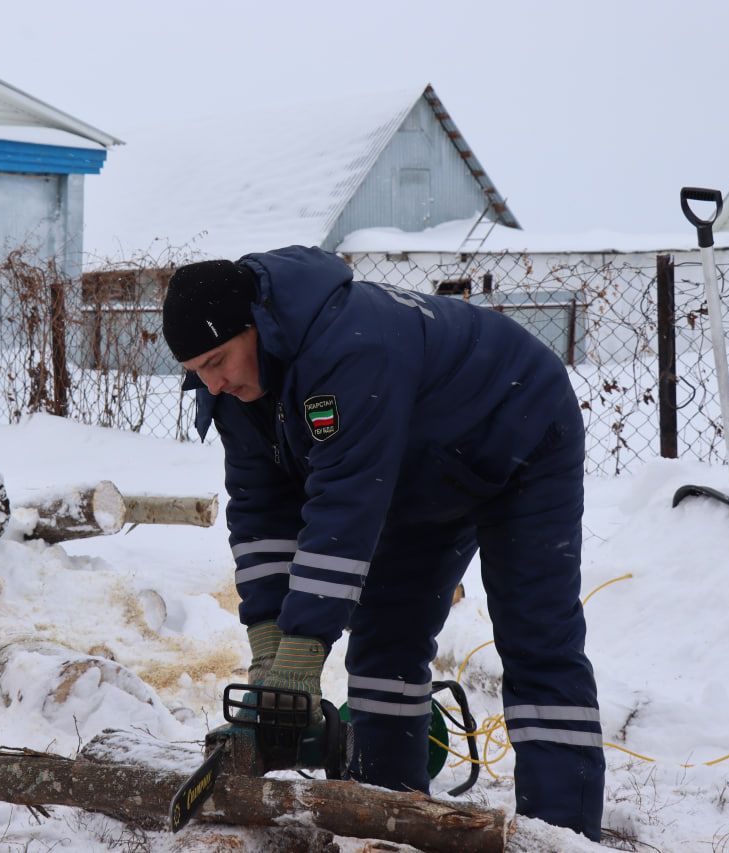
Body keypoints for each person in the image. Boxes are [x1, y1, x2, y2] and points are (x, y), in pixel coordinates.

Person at [162, 246, 604, 841]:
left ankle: (561, 832)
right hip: (414, 470)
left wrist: (303, 648)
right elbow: (262, 515)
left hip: (518, 434)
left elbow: (344, 507)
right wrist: (268, 641)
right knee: (383, 646)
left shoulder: (349, 346)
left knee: (536, 636)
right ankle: (390, 820)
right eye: (197, 372)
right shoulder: (234, 393)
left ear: (257, 327)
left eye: (217, 361)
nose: (212, 383)